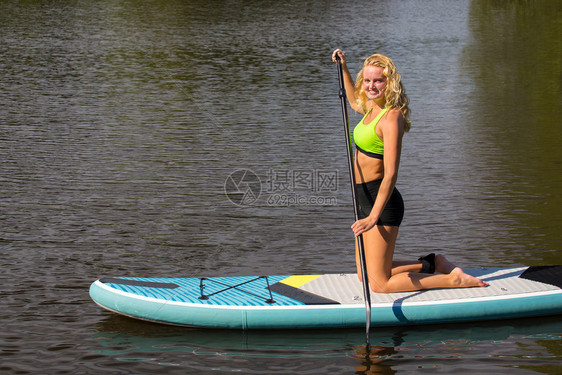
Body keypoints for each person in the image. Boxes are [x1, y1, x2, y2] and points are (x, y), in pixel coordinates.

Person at [332, 49, 488, 293]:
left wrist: (373, 216)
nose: (372, 86)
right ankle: (431, 263)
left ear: (389, 82)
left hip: (381, 202)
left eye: (378, 81)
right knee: (365, 275)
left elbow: (391, 174)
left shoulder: (391, 117)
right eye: (368, 80)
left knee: (380, 285)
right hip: (362, 197)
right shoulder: (370, 108)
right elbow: (353, 100)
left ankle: (454, 280)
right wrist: (343, 67)